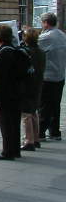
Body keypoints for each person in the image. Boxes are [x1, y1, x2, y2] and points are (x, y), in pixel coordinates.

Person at [0, 24, 24, 160]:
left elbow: (0, 78)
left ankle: (8, 151)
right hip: (17, 91)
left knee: (6, 123)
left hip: (6, 94)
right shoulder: (15, 49)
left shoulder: (3, 52)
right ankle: (15, 150)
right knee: (15, 122)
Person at [38, 12, 66, 141]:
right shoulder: (62, 35)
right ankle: (55, 132)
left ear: (46, 23)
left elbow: (33, 46)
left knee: (44, 105)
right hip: (60, 75)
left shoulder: (46, 37)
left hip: (47, 76)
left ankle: (40, 133)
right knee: (55, 105)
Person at [20, 28, 46, 151]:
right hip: (38, 83)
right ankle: (36, 139)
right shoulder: (41, 51)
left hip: (27, 85)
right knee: (34, 111)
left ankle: (28, 140)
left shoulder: (25, 52)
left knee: (26, 114)